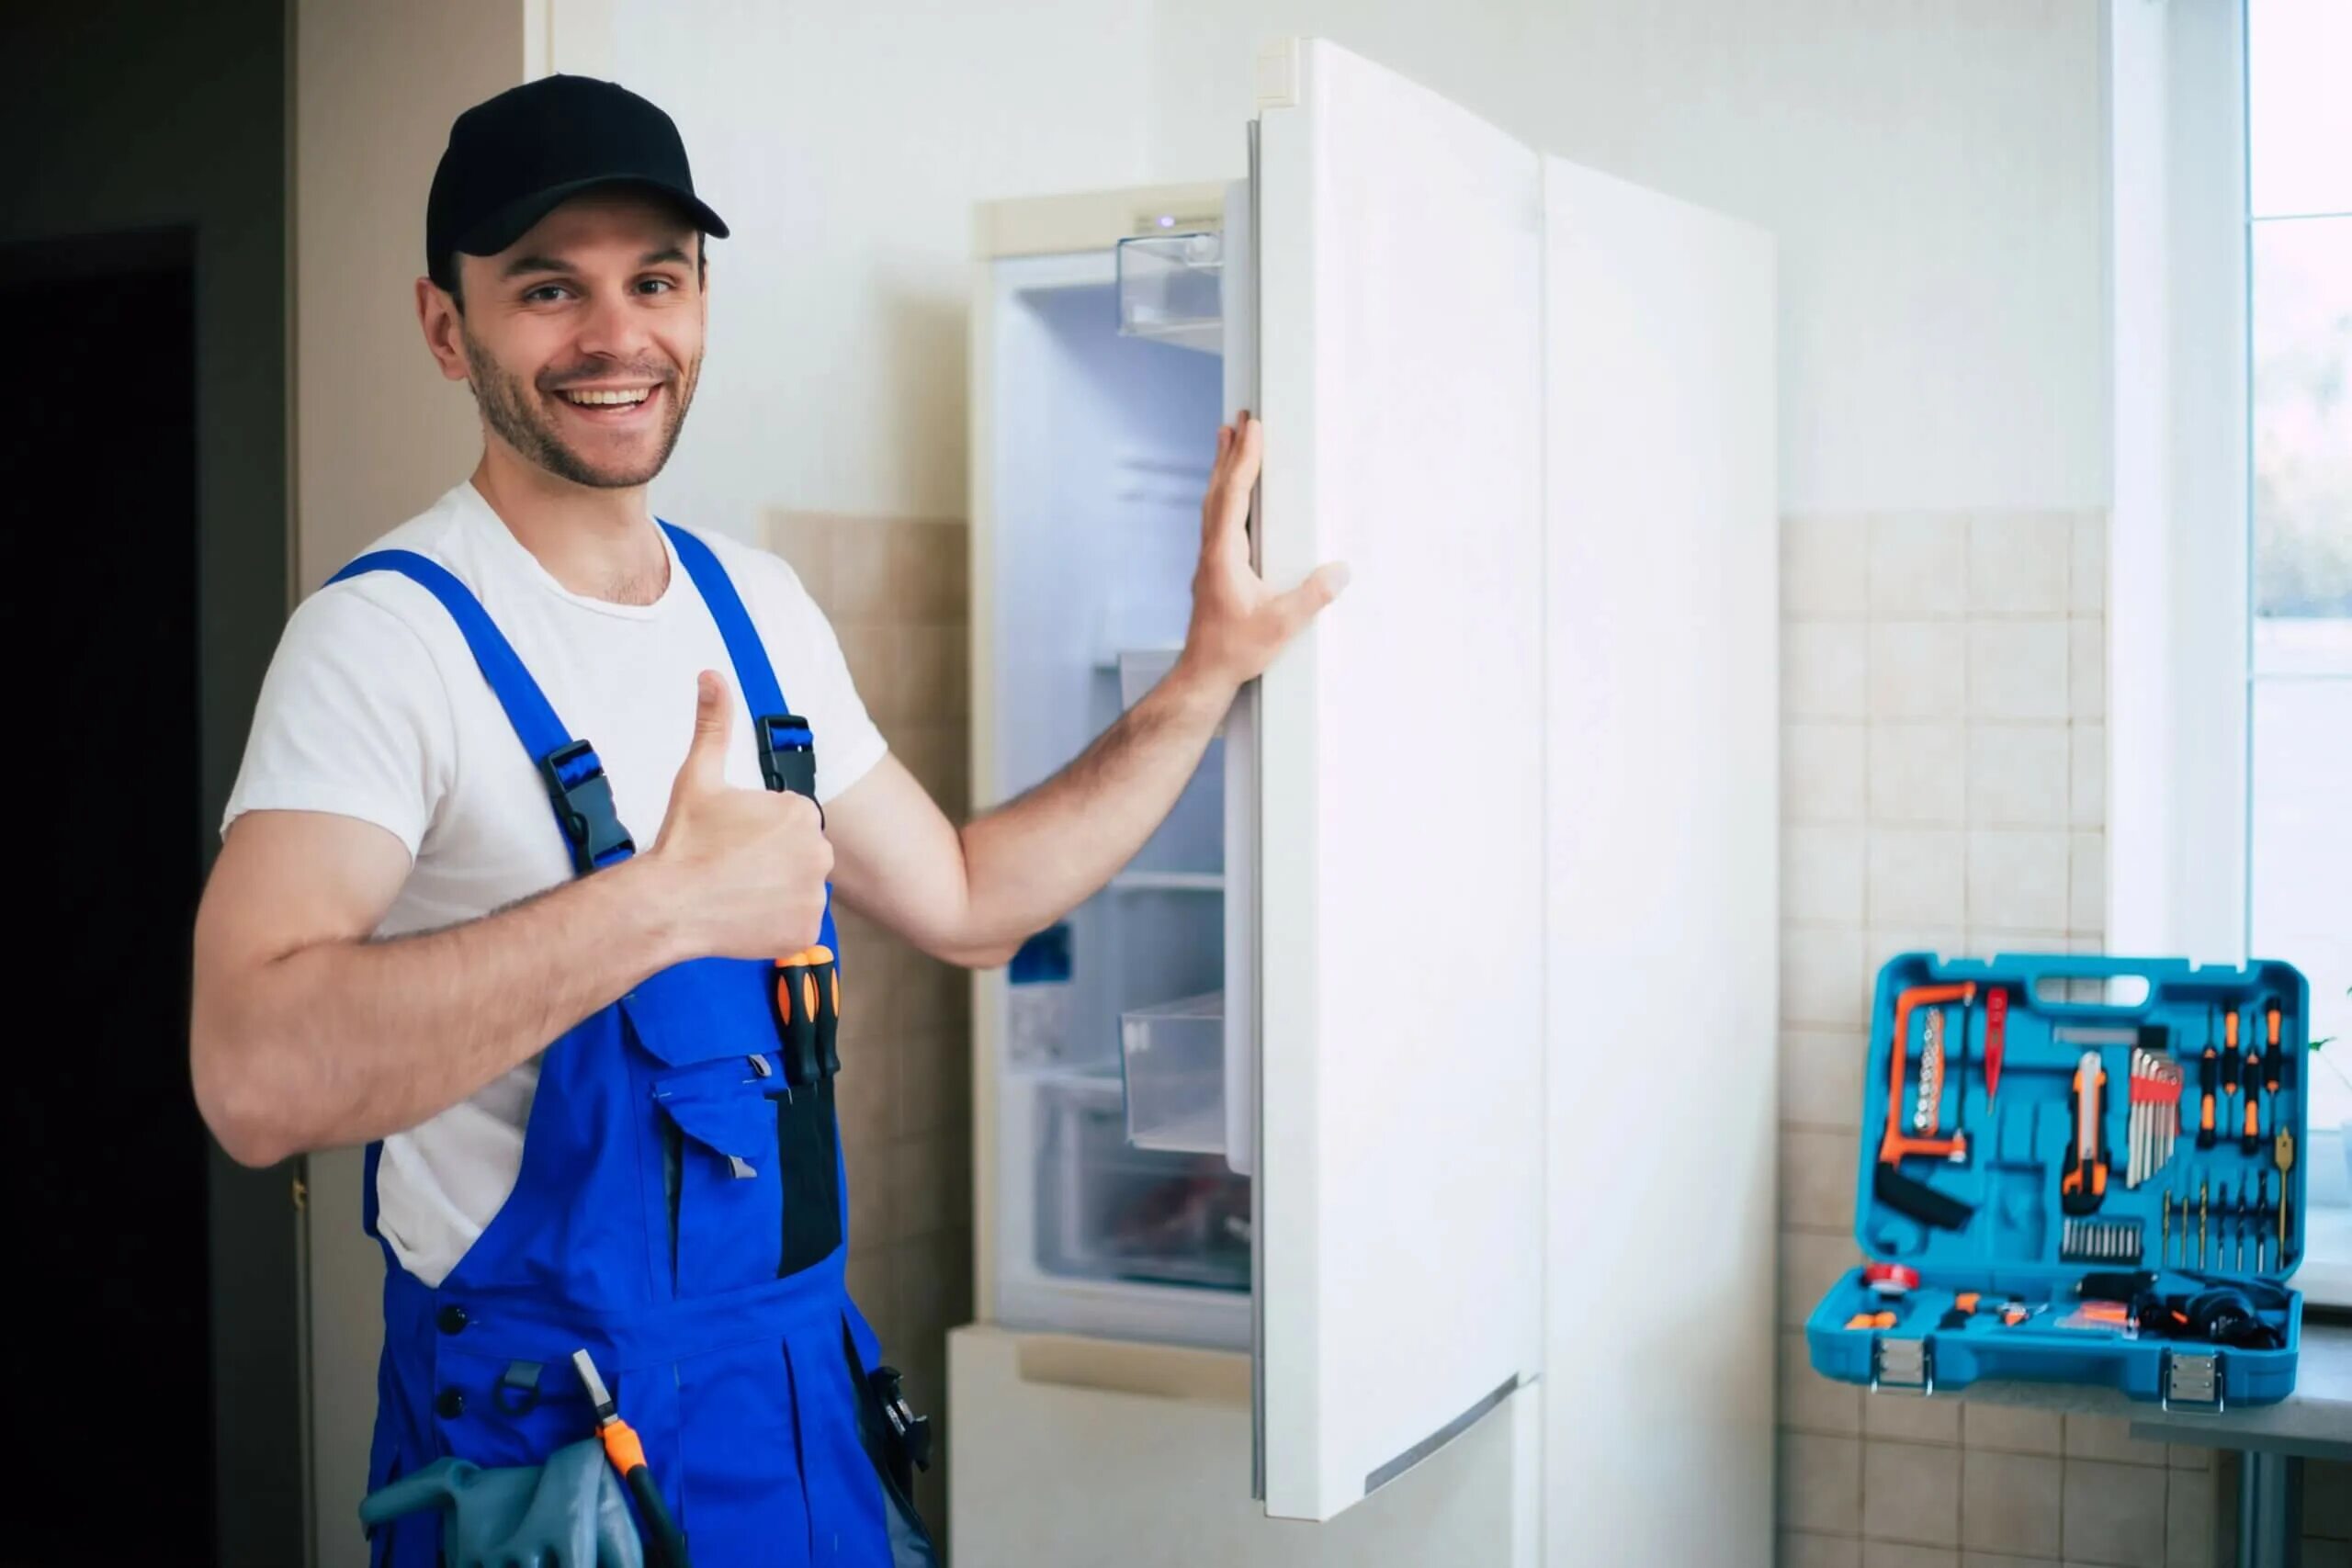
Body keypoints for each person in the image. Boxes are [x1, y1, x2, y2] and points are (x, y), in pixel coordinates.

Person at [189, 73, 1342, 1566]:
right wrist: (659, 907)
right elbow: (250, 1077)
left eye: (654, 280)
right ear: (442, 323)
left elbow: (974, 898)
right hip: (553, 1471)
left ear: (701, 302)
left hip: (798, 1423)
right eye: (549, 288)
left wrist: (1205, 675)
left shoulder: (761, 615)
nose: (616, 335)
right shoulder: (384, 641)